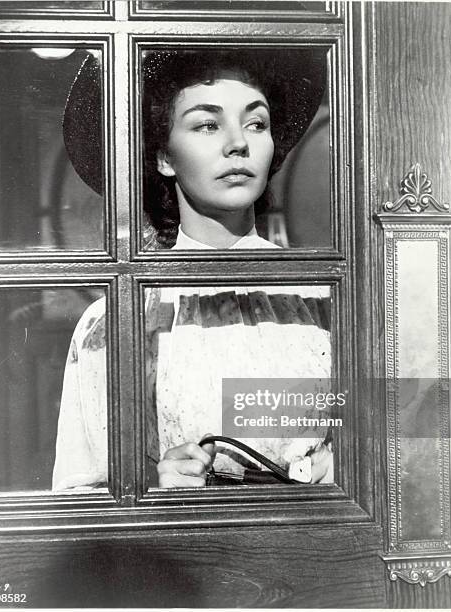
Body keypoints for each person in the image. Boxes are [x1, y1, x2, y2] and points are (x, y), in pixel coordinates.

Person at [53, 49, 334, 490]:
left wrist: (352, 464)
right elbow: (78, 498)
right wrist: (152, 486)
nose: (238, 143)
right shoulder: (115, 321)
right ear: (164, 157)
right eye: (207, 124)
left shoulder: (323, 299)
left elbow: (416, 444)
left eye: (256, 123)